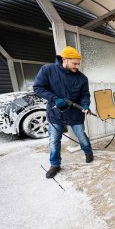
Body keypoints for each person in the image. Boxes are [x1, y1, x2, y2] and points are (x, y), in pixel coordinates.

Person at [34, 46, 93, 178]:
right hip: (56, 114)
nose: (77, 66)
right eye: (74, 63)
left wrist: (85, 104)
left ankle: (88, 152)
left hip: (75, 114)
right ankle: (55, 164)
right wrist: (55, 99)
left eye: (79, 64)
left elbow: (85, 94)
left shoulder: (82, 78)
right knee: (54, 140)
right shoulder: (48, 70)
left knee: (81, 136)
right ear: (64, 59)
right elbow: (38, 88)